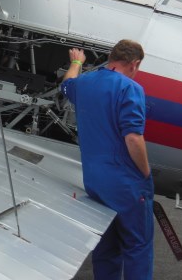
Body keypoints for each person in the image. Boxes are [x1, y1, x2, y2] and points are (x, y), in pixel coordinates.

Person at [61, 39, 154, 280]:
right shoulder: (130, 88)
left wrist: (76, 62)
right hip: (125, 182)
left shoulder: (84, 84)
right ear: (134, 64)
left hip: (94, 180)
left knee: (106, 247)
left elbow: (66, 85)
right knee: (137, 246)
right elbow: (133, 137)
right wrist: (145, 172)